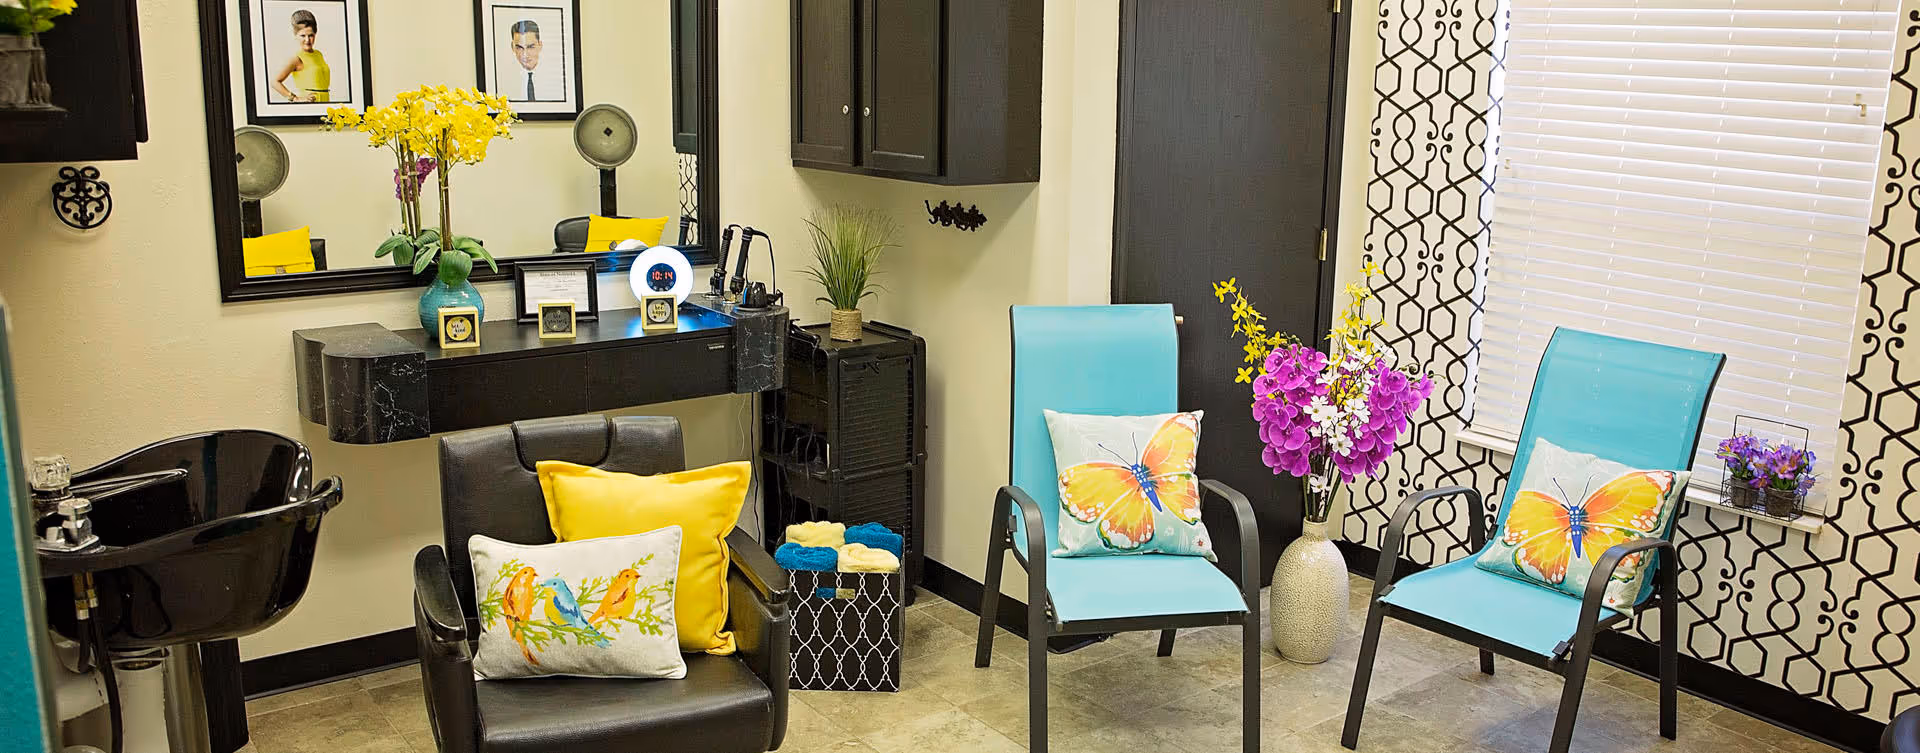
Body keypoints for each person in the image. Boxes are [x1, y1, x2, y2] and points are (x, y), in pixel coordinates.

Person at [271, 10, 330, 103]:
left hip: (325, 105)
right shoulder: (296, 58)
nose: (307, 40)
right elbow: (275, 82)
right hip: (309, 107)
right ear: (296, 35)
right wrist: (295, 98)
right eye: (303, 36)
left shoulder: (318, 54)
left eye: (311, 35)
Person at [506, 19, 563, 102]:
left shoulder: (556, 79)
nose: (525, 54)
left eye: (530, 47)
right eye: (519, 48)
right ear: (512, 47)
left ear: (540, 45)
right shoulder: (506, 83)